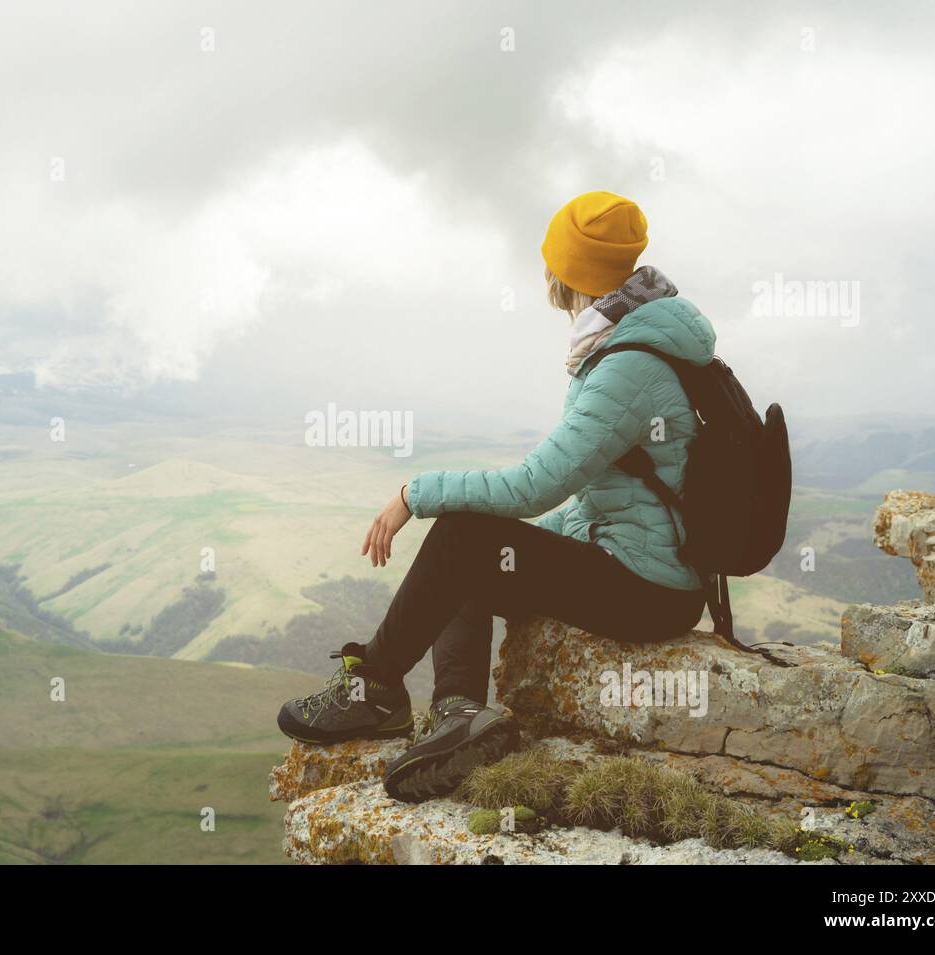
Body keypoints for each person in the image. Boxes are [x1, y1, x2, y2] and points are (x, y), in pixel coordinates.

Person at [277, 191, 713, 803]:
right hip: (647, 572)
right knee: (477, 544)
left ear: (566, 272)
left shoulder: (627, 366)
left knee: (464, 531)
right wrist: (512, 544)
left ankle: (374, 688)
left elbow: (532, 487)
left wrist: (413, 493)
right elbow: (598, 496)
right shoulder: (642, 339)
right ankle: (457, 713)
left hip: (651, 591)